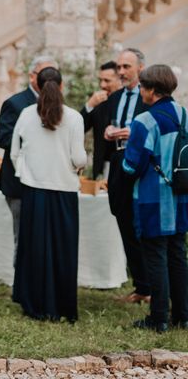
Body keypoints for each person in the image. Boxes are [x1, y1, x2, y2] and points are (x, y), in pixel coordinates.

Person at [10, 67, 86, 322]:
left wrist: (27, 172)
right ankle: (62, 306)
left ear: (38, 86)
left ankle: (34, 303)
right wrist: (78, 167)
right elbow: (79, 157)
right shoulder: (74, 117)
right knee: (63, 250)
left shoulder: (26, 114)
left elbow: (13, 153)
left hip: (34, 190)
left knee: (34, 248)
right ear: (61, 86)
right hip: (64, 192)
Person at [122, 64, 188, 333]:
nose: (140, 92)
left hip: (154, 198)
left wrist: (124, 164)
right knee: (178, 254)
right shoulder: (184, 114)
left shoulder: (145, 121)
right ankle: (183, 315)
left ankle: (158, 318)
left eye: (141, 87)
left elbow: (132, 165)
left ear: (150, 90)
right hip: (182, 196)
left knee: (155, 256)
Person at [0, 56, 57, 257]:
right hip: (19, 183)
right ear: (32, 77)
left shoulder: (59, 105)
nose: (51, 81)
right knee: (22, 236)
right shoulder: (14, 104)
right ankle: (22, 284)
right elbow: (3, 139)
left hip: (48, 182)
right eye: (45, 75)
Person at [103, 48, 151, 304]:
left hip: (142, 164)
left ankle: (155, 287)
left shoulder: (150, 97)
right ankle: (142, 287)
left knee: (143, 225)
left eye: (126, 67)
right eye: (119, 67)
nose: (121, 72)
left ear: (140, 68)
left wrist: (134, 134)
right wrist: (109, 131)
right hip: (118, 161)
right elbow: (104, 124)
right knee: (123, 221)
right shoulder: (116, 97)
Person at [80, 61, 121, 179]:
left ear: (119, 80)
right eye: (100, 80)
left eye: (107, 81)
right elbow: (80, 127)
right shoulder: (97, 101)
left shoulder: (128, 101)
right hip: (101, 166)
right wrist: (90, 105)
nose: (102, 85)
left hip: (122, 164)